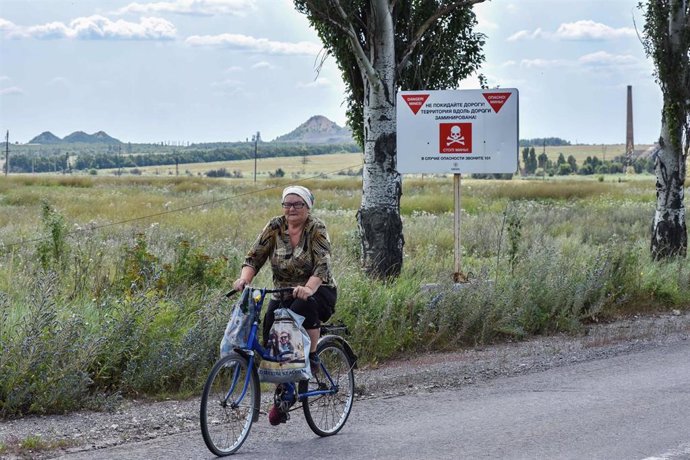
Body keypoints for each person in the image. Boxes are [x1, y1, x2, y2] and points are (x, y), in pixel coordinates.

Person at [232, 185, 337, 425]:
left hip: (319, 290)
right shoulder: (274, 226)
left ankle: (311, 359)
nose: (291, 208)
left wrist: (309, 288)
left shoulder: (316, 228)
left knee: (300, 311)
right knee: (272, 336)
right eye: (287, 204)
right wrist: (244, 279)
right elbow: (254, 257)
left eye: (297, 204)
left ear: (307, 206)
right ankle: (284, 395)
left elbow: (323, 264)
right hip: (282, 292)